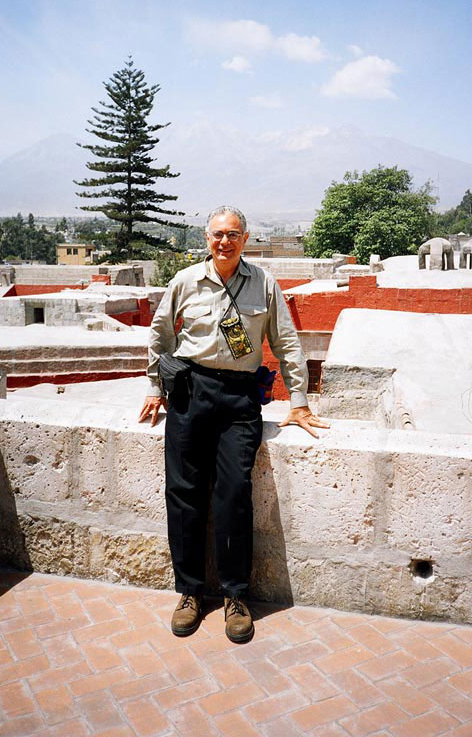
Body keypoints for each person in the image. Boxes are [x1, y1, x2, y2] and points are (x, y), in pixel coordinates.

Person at [138, 206, 328, 642]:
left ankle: (235, 596)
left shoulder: (264, 283)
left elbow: (286, 342)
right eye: (218, 234)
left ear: (245, 238)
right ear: (207, 238)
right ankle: (188, 593)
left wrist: (298, 400)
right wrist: (154, 387)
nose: (225, 241)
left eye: (234, 234)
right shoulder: (185, 281)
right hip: (189, 392)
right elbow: (160, 334)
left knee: (233, 494)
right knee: (184, 494)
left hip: (239, 398)